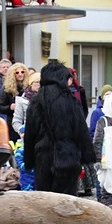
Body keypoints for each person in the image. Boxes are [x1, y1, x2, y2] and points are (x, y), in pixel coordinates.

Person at [21, 61, 96, 195]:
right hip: (68, 158)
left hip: (43, 159)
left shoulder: (36, 102)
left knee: (46, 202)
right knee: (67, 203)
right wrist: (87, 156)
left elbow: (30, 135)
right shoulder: (71, 101)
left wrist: (29, 160)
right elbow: (81, 130)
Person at [0, 61, 29, 135]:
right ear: (13, 74)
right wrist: (10, 107)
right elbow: (1, 107)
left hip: (28, 120)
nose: (20, 74)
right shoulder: (7, 88)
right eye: (17, 72)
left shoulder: (29, 87)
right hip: (13, 121)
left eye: (22, 72)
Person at [12, 71, 39, 136]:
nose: (39, 84)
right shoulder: (22, 100)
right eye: (37, 82)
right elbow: (16, 121)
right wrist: (21, 130)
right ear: (31, 84)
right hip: (29, 135)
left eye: (41, 82)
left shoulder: (48, 98)